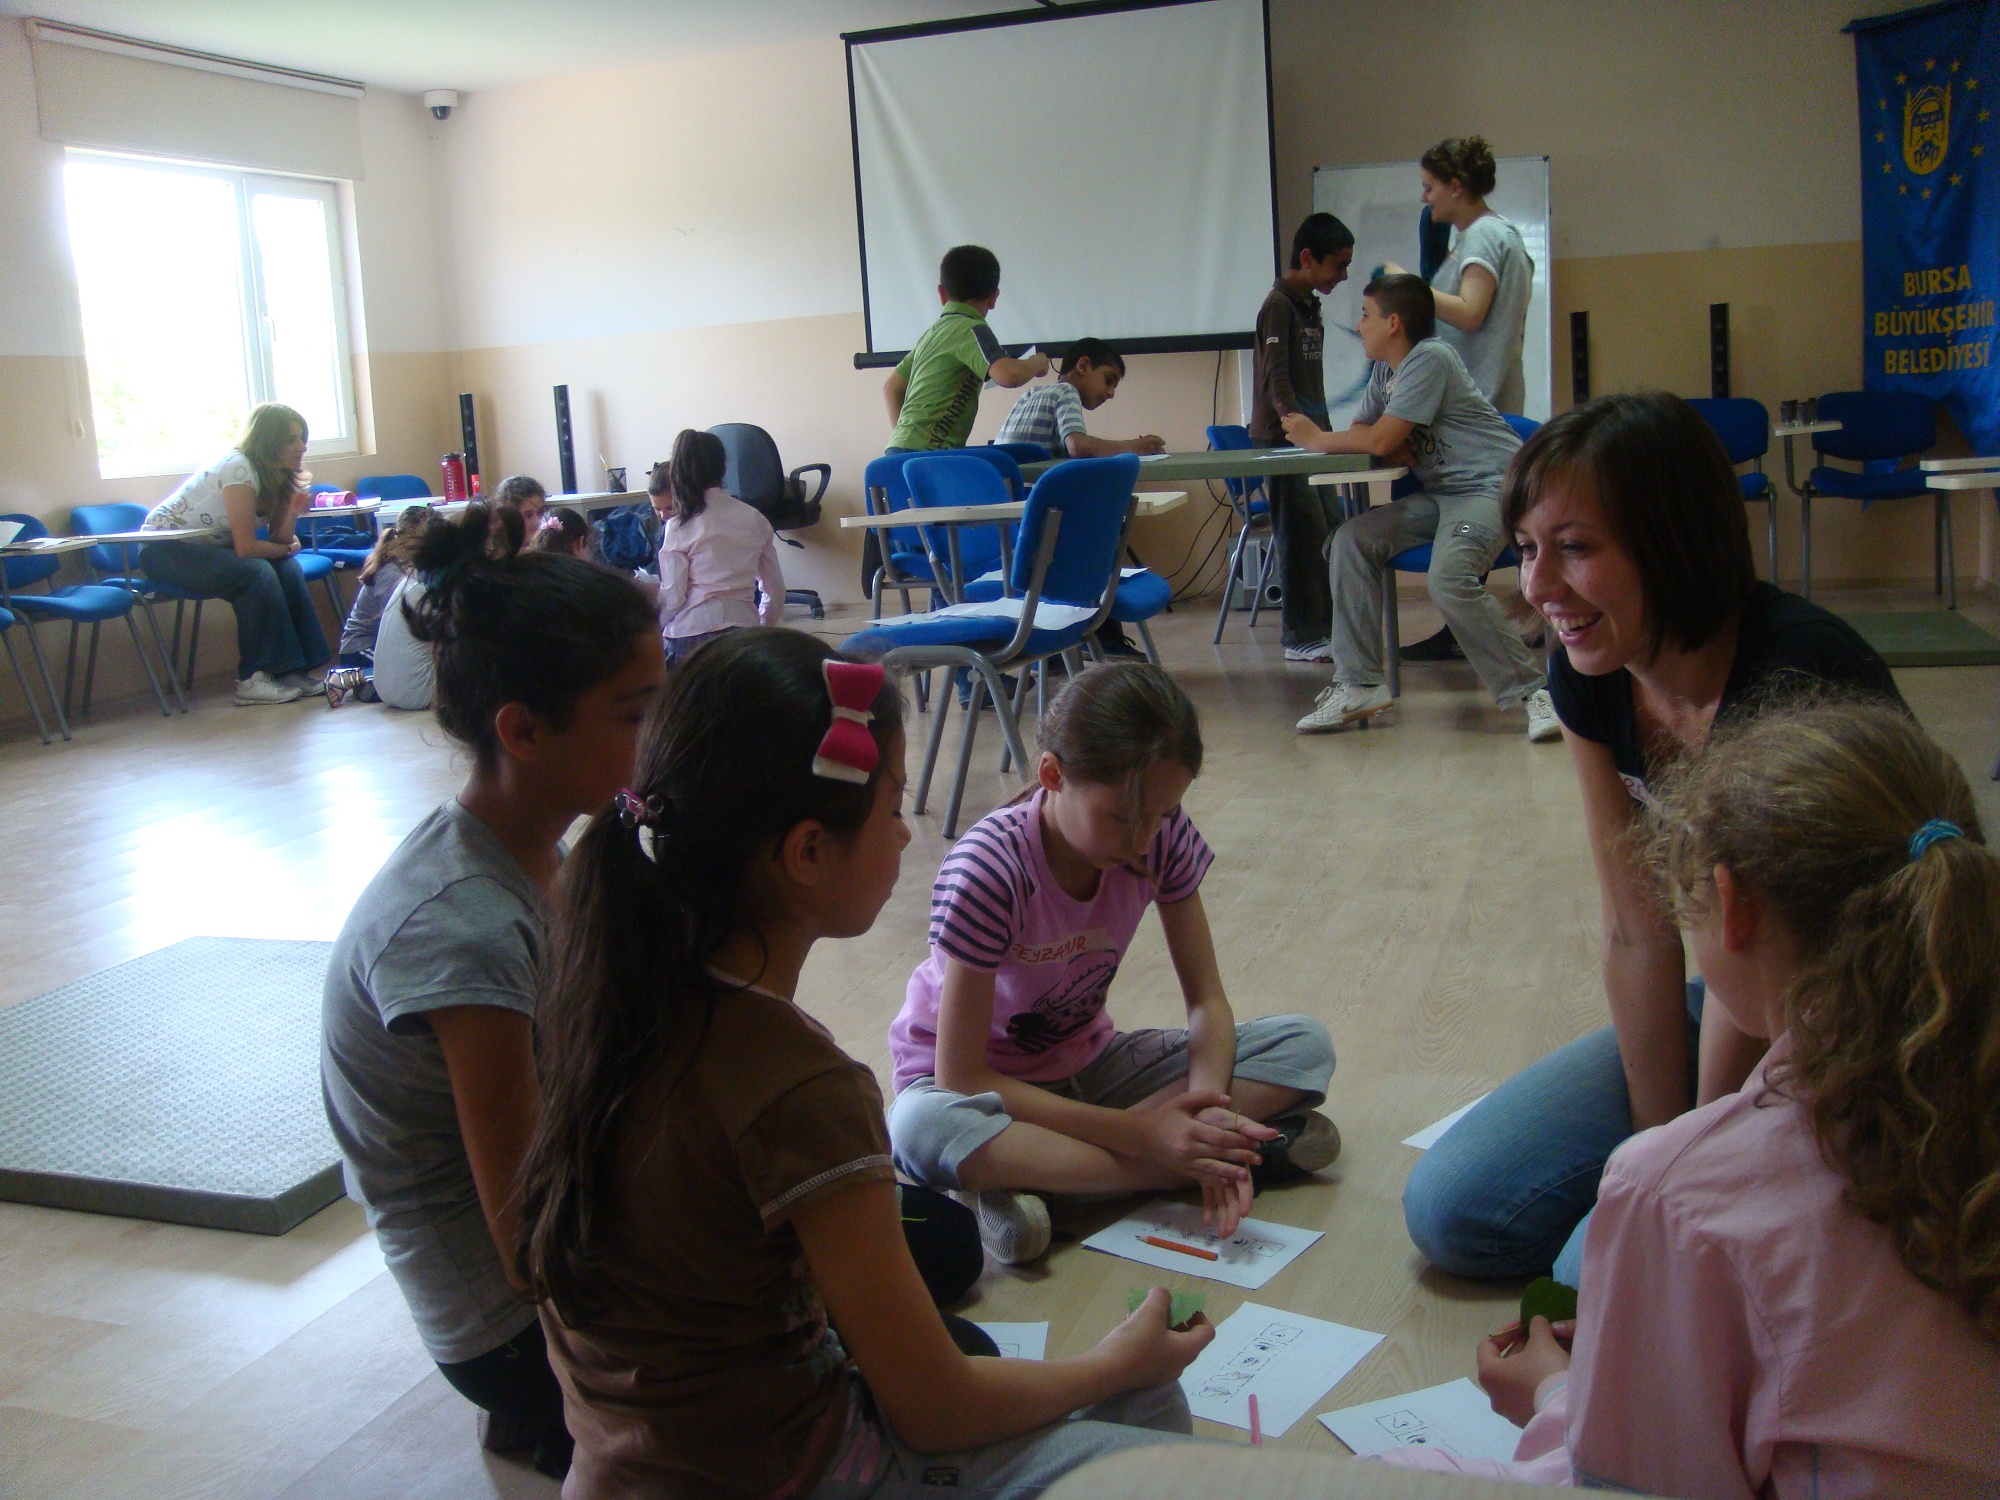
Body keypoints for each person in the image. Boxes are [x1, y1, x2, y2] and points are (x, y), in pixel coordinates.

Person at [517, 630, 1210, 1499]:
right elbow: (938, 1412)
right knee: (1148, 1412)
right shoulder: (803, 1087)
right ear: (808, 851)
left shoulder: (596, 998)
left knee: (957, 1331)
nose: (904, 835)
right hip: (799, 1477)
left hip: (621, 1471)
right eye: (892, 808)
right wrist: (1117, 1363)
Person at [1378, 698, 2000, 1495]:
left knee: (1385, 1472)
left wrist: (1557, 1396)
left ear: (1732, 907)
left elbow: (1639, 1488)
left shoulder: (1683, 1195)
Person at [1401, 391, 1903, 1284]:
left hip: (1854, 1024)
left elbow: (1776, 968)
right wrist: (1661, 1144)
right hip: (1738, 987)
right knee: (1453, 1208)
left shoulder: (1797, 679)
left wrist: (1682, 1168)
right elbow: (1636, 929)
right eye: (1527, 549)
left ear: (1675, 541)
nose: (1538, 588)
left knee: (1598, 1272)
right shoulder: (1592, 668)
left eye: (1575, 548)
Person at [320, 502, 668, 1480]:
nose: (655, 737)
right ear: (522, 730)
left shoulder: (534, 850)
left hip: (567, 1251)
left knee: (893, 1238)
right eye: (633, 715)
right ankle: (556, 1422)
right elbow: (529, 1252)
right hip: (513, 1334)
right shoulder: (461, 927)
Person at [887, 663, 1339, 1265]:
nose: (1143, 839)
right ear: (1052, 774)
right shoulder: (989, 869)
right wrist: (1142, 1135)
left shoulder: (1160, 835)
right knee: (920, 1129)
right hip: (975, 1088)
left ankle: (1047, 1182)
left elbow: (1207, 1002)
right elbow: (962, 1076)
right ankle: (1174, 1167)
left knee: (1303, 1045)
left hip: (1087, 1066)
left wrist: (1205, 1112)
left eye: (1162, 814)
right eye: (1123, 818)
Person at [1283, 274, 1554, 740]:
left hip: (1493, 488)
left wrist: (1318, 438)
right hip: (1442, 494)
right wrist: (1383, 440)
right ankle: (1359, 685)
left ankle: (1536, 694)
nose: (1359, 324)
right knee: (1351, 540)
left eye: (1366, 315)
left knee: (1448, 578)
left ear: (1393, 323)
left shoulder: (1431, 358)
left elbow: (1374, 438)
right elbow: (1366, 431)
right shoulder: (1386, 372)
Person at [1391, 136, 1538, 667]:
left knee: (1463, 536)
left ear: (1457, 186)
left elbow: (1472, 313)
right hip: (1486, 400)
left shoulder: (1484, 236)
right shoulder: (1497, 237)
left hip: (1476, 409)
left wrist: (1407, 289)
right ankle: (1460, 629)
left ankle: (1478, 635)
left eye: (1430, 187)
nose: (1425, 198)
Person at [138, 402, 332, 705]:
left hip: (205, 550)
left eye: (303, 438)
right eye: (291, 439)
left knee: (288, 568)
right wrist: (285, 548)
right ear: (268, 441)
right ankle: (253, 678)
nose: (302, 447)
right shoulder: (239, 468)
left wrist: (293, 513)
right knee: (256, 573)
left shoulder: (281, 474)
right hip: (163, 551)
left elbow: (278, 539)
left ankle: (293, 671)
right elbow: (246, 547)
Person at [1250, 212, 1353, 664]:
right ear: (1308, 258)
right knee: (1300, 533)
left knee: (1330, 527)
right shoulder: (1278, 305)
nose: (1342, 276)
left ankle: (1327, 626)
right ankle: (1299, 635)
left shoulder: (1308, 305)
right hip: (1284, 440)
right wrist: (1295, 428)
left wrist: (1322, 435)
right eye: (1338, 265)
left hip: (1313, 438)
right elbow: (1276, 377)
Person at [884, 245, 1049, 455]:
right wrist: (1036, 363)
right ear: (993, 297)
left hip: (898, 451)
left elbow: (891, 387)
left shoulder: (932, 334)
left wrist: (904, 440)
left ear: (942, 294)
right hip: (931, 455)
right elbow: (1009, 375)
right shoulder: (972, 329)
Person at [647, 429, 786, 665]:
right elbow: (775, 590)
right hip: (744, 633)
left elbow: (673, 597)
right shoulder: (755, 518)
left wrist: (656, 627)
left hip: (690, 636)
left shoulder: (679, 525)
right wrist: (762, 627)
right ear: (722, 469)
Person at [993, 339, 1165, 459]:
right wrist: (1134, 447)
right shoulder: (1066, 390)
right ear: (1082, 366)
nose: (1111, 393)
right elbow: (1079, 447)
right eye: (1108, 381)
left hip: (1002, 493)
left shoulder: (1029, 395)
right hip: (1034, 496)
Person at [336, 504, 439, 681]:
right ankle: (350, 680)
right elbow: (400, 623)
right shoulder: (390, 573)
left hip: (381, 643)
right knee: (404, 672)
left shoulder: (410, 567)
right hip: (360, 649)